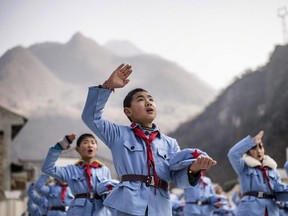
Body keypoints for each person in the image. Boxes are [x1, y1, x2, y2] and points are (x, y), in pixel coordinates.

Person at [81, 63, 217, 216]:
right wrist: (107, 86)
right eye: (141, 99)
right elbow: (90, 117)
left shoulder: (169, 143)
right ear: (128, 111)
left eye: (151, 99)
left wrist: (193, 169)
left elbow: (178, 179)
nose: (148, 102)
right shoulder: (118, 134)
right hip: (129, 206)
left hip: (160, 208)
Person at [41, 133, 118, 216]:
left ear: (96, 149)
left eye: (93, 142)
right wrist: (60, 146)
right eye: (85, 142)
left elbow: (109, 195)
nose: (90, 145)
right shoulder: (71, 170)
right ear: (78, 149)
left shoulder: (104, 170)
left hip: (100, 211)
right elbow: (47, 168)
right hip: (79, 211)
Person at [227, 130, 288, 216]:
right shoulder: (243, 166)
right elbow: (232, 154)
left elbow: (279, 192)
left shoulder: (273, 170)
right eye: (254, 148)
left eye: (261, 147)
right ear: (248, 151)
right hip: (249, 210)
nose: (259, 151)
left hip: (271, 211)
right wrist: (251, 142)